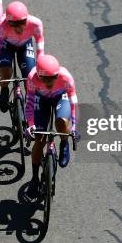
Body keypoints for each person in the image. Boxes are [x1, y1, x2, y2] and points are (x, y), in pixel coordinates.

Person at [24, 55, 79, 199]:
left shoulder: (65, 77)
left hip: (60, 97)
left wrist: (74, 128)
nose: (50, 82)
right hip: (40, 100)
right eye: (46, 79)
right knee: (39, 139)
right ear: (39, 75)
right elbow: (29, 103)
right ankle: (35, 178)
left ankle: (64, 143)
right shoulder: (32, 77)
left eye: (53, 78)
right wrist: (30, 125)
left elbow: (73, 103)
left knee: (61, 121)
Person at [0, 1, 44, 112]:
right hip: (7, 45)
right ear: (8, 22)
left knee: (30, 77)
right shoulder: (1, 24)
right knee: (6, 71)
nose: (19, 27)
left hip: (24, 46)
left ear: (27, 19)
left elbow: (40, 51)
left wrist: (40, 70)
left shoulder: (36, 23)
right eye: (14, 24)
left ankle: (30, 109)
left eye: (22, 22)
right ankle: (4, 89)